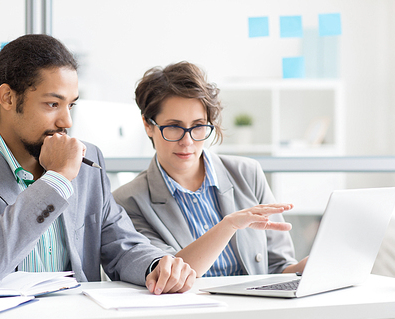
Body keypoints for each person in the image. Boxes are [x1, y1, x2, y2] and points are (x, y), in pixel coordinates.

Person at [0, 35, 195, 295]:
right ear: (8, 98)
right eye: (52, 104)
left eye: (70, 105)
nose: (66, 122)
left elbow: (120, 244)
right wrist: (57, 180)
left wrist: (156, 265)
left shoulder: (88, 160)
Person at [113, 61, 308, 284]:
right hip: (192, 315)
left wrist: (304, 267)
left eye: (198, 126)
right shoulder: (128, 202)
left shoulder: (247, 173)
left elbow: (277, 267)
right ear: (149, 125)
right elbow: (170, 275)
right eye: (174, 127)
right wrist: (228, 225)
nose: (187, 141)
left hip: (256, 315)